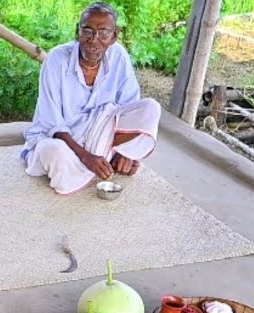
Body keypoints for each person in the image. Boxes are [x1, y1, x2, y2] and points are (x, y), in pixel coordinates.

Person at [22, 2, 161, 194]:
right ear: (77, 31)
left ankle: (112, 157)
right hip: (64, 140)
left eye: (103, 32)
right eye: (87, 31)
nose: (94, 40)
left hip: (100, 135)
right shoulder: (57, 59)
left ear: (114, 36)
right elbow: (51, 121)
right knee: (51, 151)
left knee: (150, 109)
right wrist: (86, 156)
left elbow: (129, 106)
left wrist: (126, 152)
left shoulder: (118, 56)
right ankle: (96, 162)